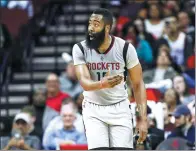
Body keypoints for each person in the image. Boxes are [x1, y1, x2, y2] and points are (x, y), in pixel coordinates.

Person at [72, 8, 147, 150]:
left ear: (107, 28)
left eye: (95, 24)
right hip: (93, 108)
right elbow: (85, 83)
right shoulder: (80, 48)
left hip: (119, 106)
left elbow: (138, 84)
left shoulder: (125, 48)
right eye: (89, 24)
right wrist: (102, 84)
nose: (90, 28)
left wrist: (142, 119)